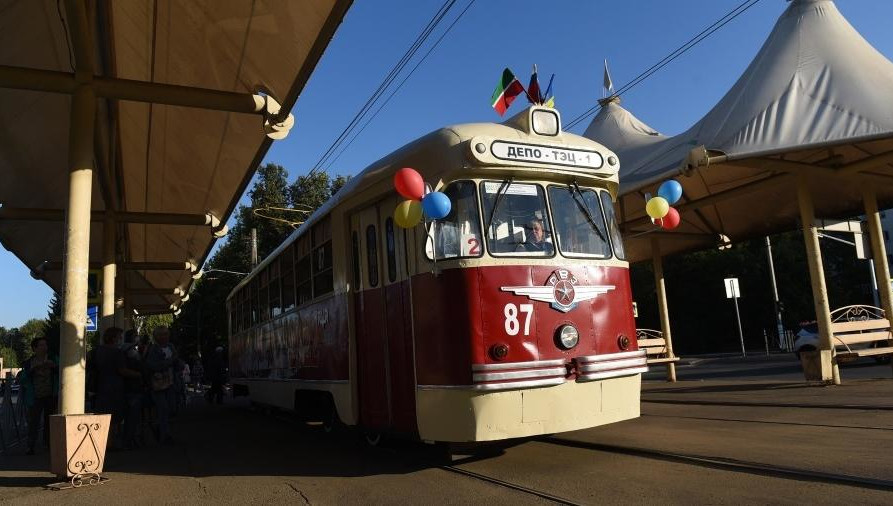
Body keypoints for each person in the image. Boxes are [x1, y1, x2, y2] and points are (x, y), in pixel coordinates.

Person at [94, 327, 141, 449]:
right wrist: (138, 374)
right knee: (115, 417)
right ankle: (111, 443)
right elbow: (122, 370)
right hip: (115, 387)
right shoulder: (117, 352)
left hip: (101, 386)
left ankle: (104, 442)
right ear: (114, 338)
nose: (121, 340)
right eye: (120, 337)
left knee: (104, 416)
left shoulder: (98, 351)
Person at [19, 337, 58, 455]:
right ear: (34, 348)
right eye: (41, 345)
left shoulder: (53, 359)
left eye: (45, 345)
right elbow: (23, 379)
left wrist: (54, 367)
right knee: (33, 422)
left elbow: (62, 372)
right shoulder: (29, 362)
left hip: (50, 395)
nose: (44, 347)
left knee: (50, 421)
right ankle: (30, 446)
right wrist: (32, 370)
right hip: (35, 396)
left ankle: (48, 443)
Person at [145, 326, 178, 443]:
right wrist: (169, 362)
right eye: (163, 335)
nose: (165, 337)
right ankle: (165, 435)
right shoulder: (153, 349)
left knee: (172, 408)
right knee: (163, 409)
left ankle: (159, 427)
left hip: (171, 382)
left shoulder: (171, 346)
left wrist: (178, 363)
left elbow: (176, 360)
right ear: (157, 336)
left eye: (166, 334)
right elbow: (152, 366)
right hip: (158, 384)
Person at [121, 329, 145, 448]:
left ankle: (131, 439)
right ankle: (131, 440)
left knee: (131, 416)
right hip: (132, 387)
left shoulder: (132, 350)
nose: (138, 338)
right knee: (133, 416)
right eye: (136, 336)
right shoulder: (128, 350)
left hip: (130, 387)